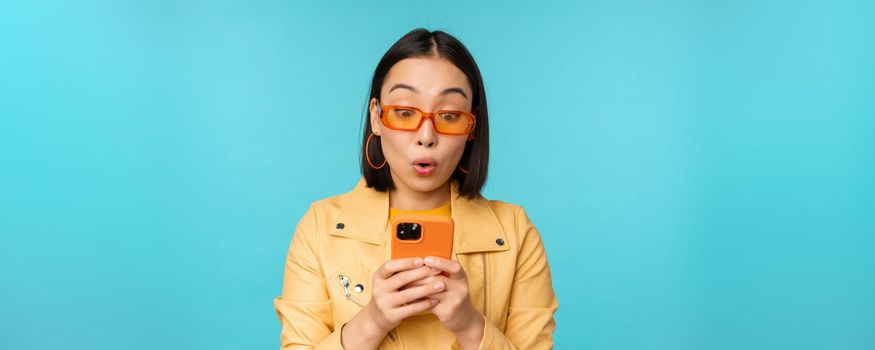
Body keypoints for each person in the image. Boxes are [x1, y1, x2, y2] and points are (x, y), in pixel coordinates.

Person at [273, 28, 558, 349]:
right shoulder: (320, 227)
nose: (426, 135)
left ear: (471, 127)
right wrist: (373, 321)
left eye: (449, 115)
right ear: (376, 118)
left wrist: (469, 325)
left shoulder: (514, 231)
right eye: (405, 112)